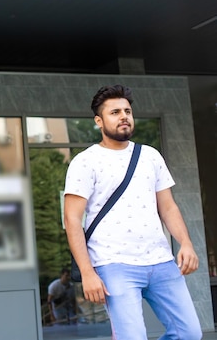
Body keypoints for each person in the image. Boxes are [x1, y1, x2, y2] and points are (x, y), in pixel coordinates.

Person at [63, 85, 202, 340]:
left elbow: (168, 206)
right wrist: (87, 272)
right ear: (99, 121)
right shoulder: (85, 161)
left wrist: (186, 243)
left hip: (160, 261)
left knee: (189, 333)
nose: (124, 116)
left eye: (127, 111)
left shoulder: (150, 156)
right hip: (114, 264)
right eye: (115, 112)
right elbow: (72, 220)